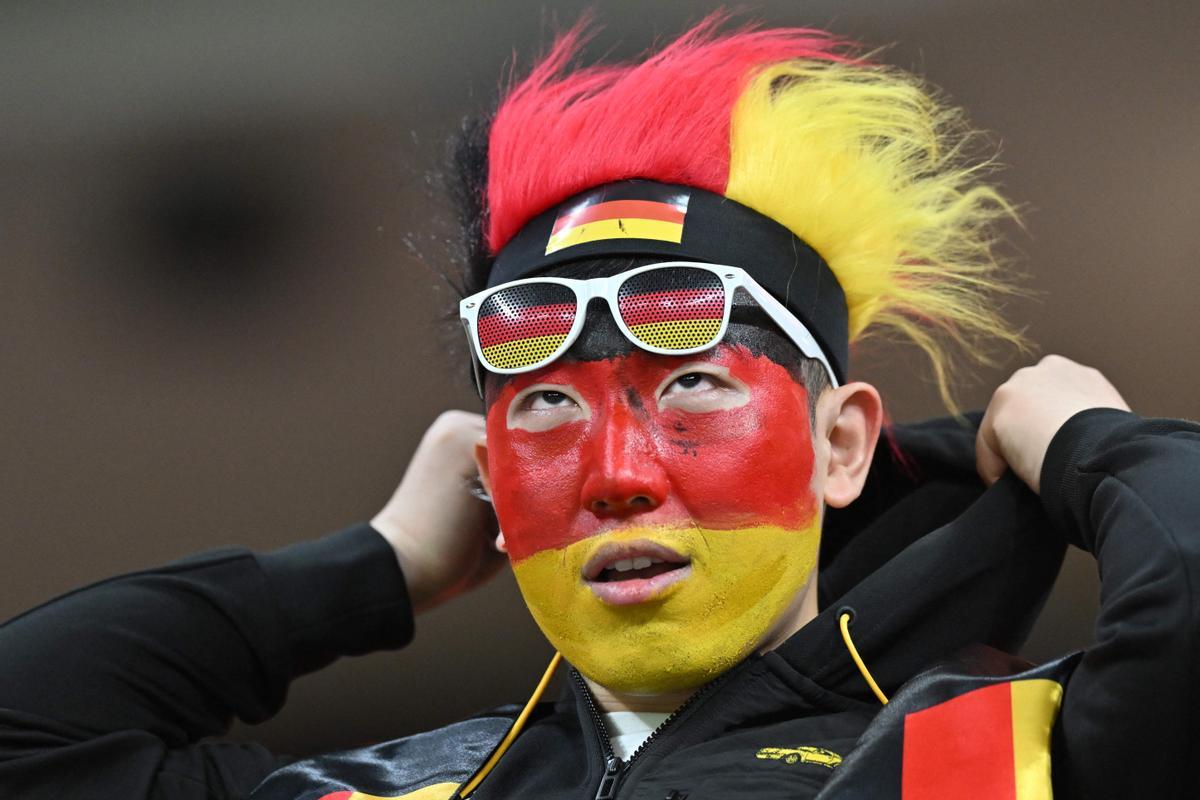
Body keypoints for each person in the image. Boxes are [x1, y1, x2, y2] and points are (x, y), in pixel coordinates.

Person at [2, 16, 1198, 800]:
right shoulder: (393, 789)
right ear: (493, 486)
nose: (615, 468)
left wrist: (1091, 448)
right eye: (545, 411)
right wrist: (374, 566)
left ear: (841, 444)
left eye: (691, 387)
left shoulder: (1005, 755)